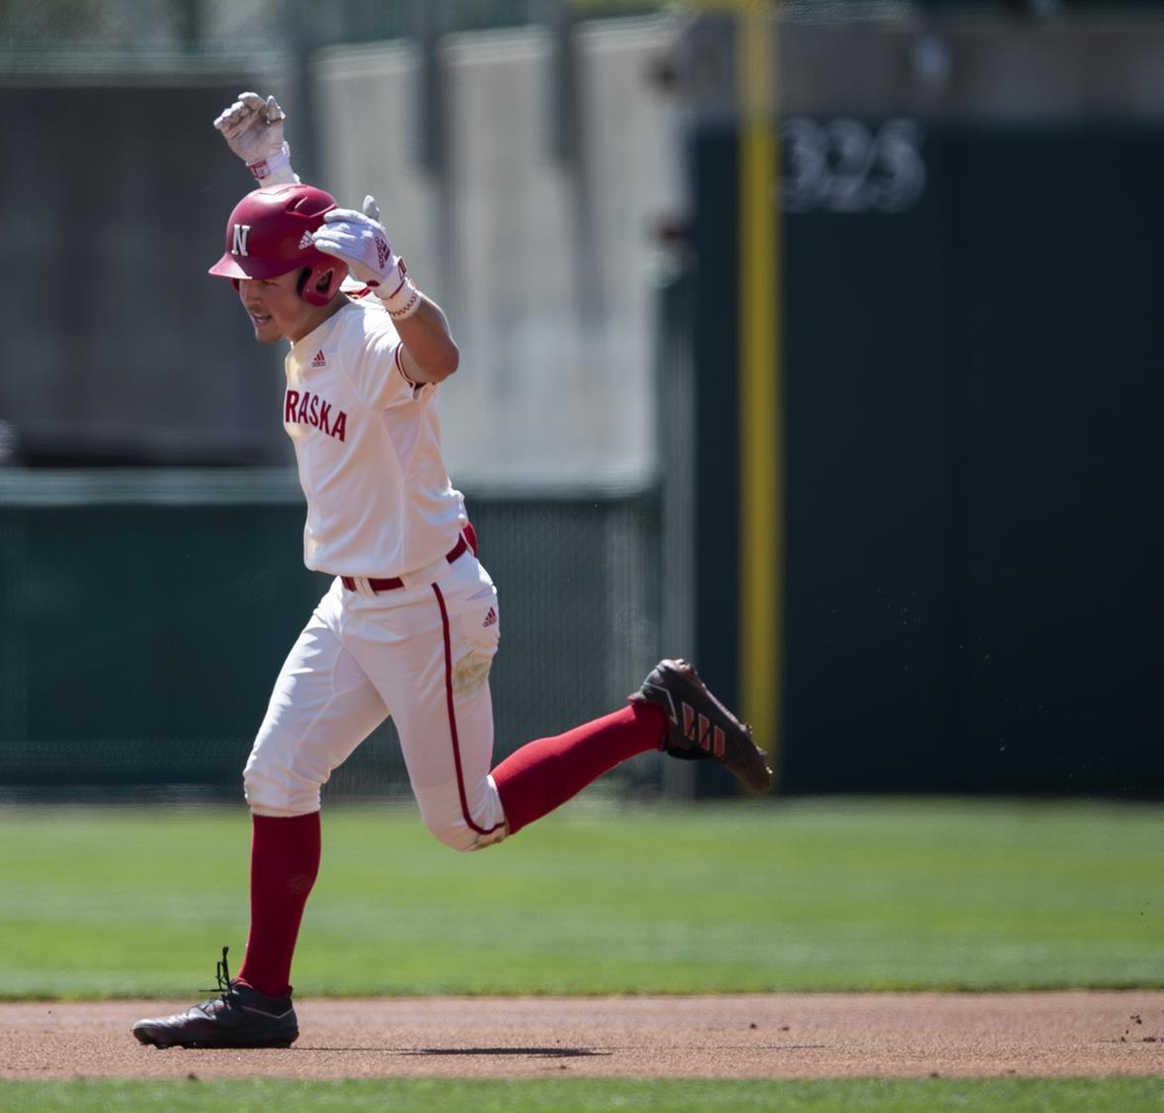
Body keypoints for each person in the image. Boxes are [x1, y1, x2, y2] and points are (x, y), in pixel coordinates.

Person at [131, 93, 771, 1051]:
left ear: (318, 278)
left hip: (429, 602)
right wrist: (274, 169)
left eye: (257, 277)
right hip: (353, 603)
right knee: (276, 775)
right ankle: (263, 998)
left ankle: (654, 716)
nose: (244, 292)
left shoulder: (372, 339)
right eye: (239, 277)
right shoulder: (313, 319)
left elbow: (442, 351)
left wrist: (394, 280)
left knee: (466, 822)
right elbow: (312, 245)